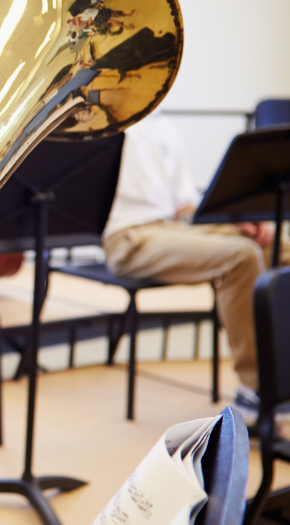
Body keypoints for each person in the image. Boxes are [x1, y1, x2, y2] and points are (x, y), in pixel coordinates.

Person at [101, 112, 289, 423]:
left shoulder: (163, 126)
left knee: (276, 242)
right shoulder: (101, 123)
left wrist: (236, 219)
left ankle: (285, 370)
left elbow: (186, 207)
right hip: (128, 236)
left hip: (174, 227)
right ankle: (256, 387)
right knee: (241, 257)